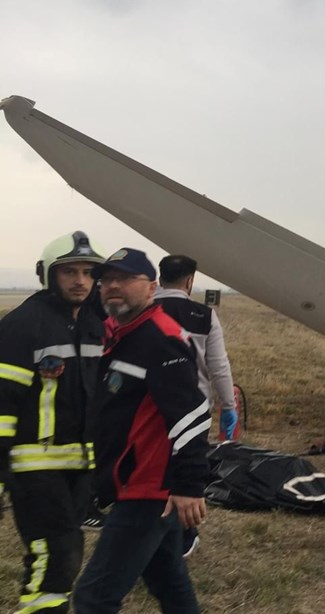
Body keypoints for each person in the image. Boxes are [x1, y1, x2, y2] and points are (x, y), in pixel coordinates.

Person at [72, 248, 211, 613]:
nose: (113, 286)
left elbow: (191, 412)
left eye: (125, 279)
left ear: (151, 287)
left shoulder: (160, 337)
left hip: (147, 489)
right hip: (133, 483)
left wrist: (188, 485)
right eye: (107, 280)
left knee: (93, 598)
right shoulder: (121, 333)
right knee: (169, 582)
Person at [0, 231, 106, 613]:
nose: (80, 281)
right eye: (70, 272)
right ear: (48, 275)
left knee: (63, 550)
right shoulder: (23, 324)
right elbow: (1, 402)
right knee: (56, 552)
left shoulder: (96, 325)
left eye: (88, 272)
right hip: (34, 467)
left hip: (80, 466)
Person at [155, 254, 237, 441]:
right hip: (194, 410)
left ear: (160, 280)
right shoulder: (205, 316)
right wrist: (228, 406)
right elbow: (219, 367)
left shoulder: (143, 311)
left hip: (149, 407)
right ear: (190, 281)